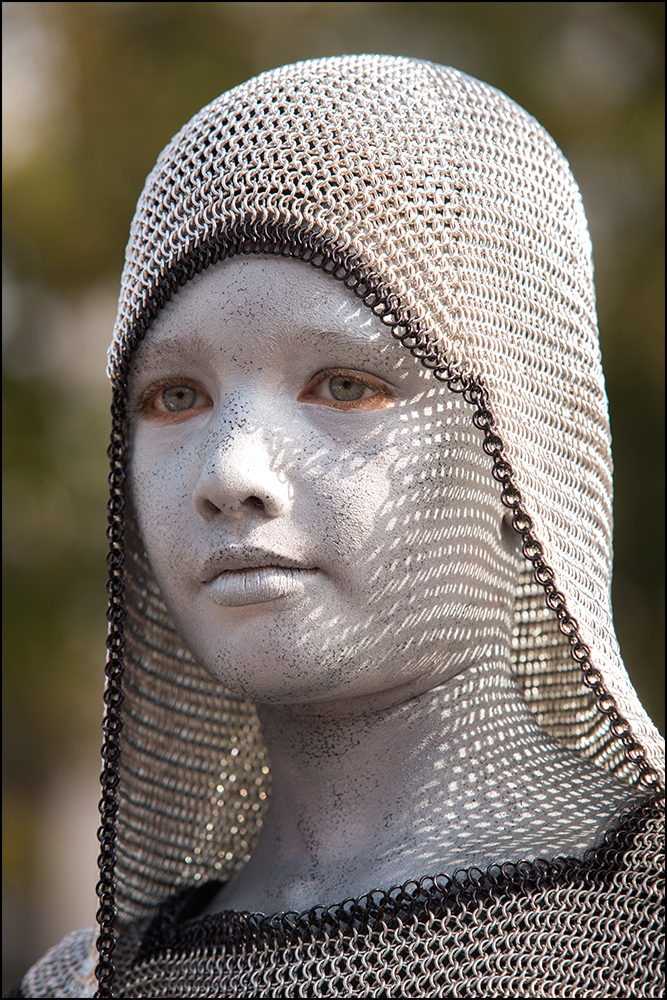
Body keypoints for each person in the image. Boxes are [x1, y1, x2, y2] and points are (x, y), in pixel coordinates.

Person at [8, 55, 663, 999]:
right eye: (174, 396)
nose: (229, 472)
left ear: (533, 446)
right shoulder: (85, 987)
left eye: (345, 385)